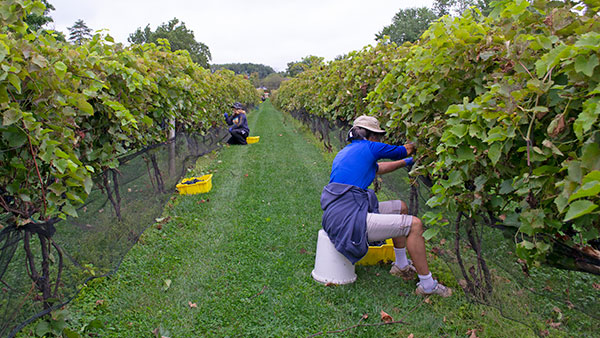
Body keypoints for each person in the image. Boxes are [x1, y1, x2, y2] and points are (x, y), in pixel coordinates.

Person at [320, 115, 451, 297]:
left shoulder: (348, 152)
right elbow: (404, 150)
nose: (380, 140)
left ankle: (401, 265)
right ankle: (428, 285)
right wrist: (423, 144)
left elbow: (379, 168)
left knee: (401, 207)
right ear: (371, 135)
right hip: (349, 219)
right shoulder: (369, 147)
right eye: (379, 136)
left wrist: (408, 163)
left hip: (337, 213)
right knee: (415, 225)